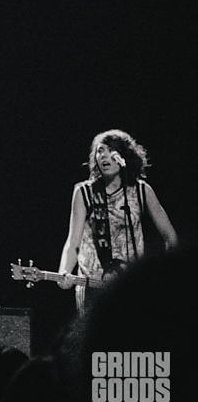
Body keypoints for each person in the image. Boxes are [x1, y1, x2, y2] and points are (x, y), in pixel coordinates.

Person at [57, 129, 177, 311]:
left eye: (111, 150)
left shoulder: (141, 191)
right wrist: (64, 271)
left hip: (131, 286)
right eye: (100, 151)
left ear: (124, 156)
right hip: (92, 287)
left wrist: (166, 275)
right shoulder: (84, 192)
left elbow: (169, 236)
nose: (104, 156)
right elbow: (73, 241)